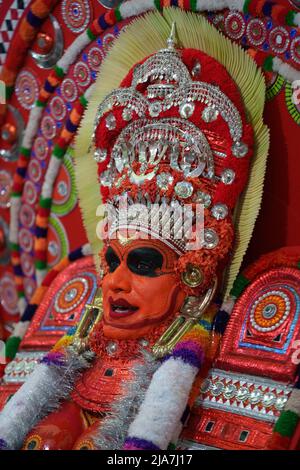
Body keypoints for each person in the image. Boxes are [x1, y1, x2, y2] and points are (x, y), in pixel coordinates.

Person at [0, 9, 269, 450]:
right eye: (111, 261)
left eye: (143, 263)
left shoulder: (204, 353)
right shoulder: (75, 325)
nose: (113, 283)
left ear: (193, 275)